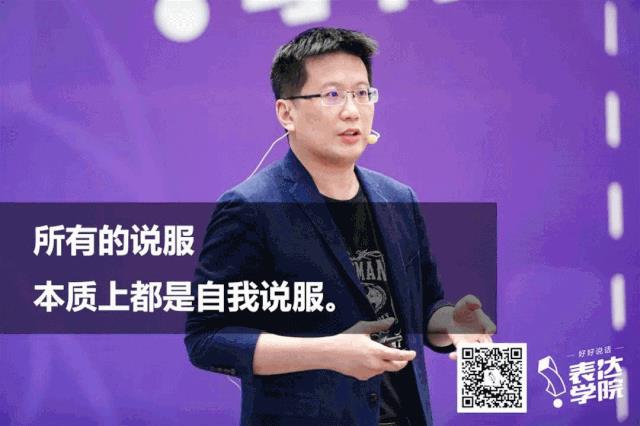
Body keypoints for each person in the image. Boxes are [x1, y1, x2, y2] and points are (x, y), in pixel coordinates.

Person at [185, 27, 495, 426]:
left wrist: (452, 325)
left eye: (362, 93)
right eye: (332, 95)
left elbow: (426, 308)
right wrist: (329, 353)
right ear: (287, 113)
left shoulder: (397, 198)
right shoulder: (250, 207)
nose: (352, 111)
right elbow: (206, 339)